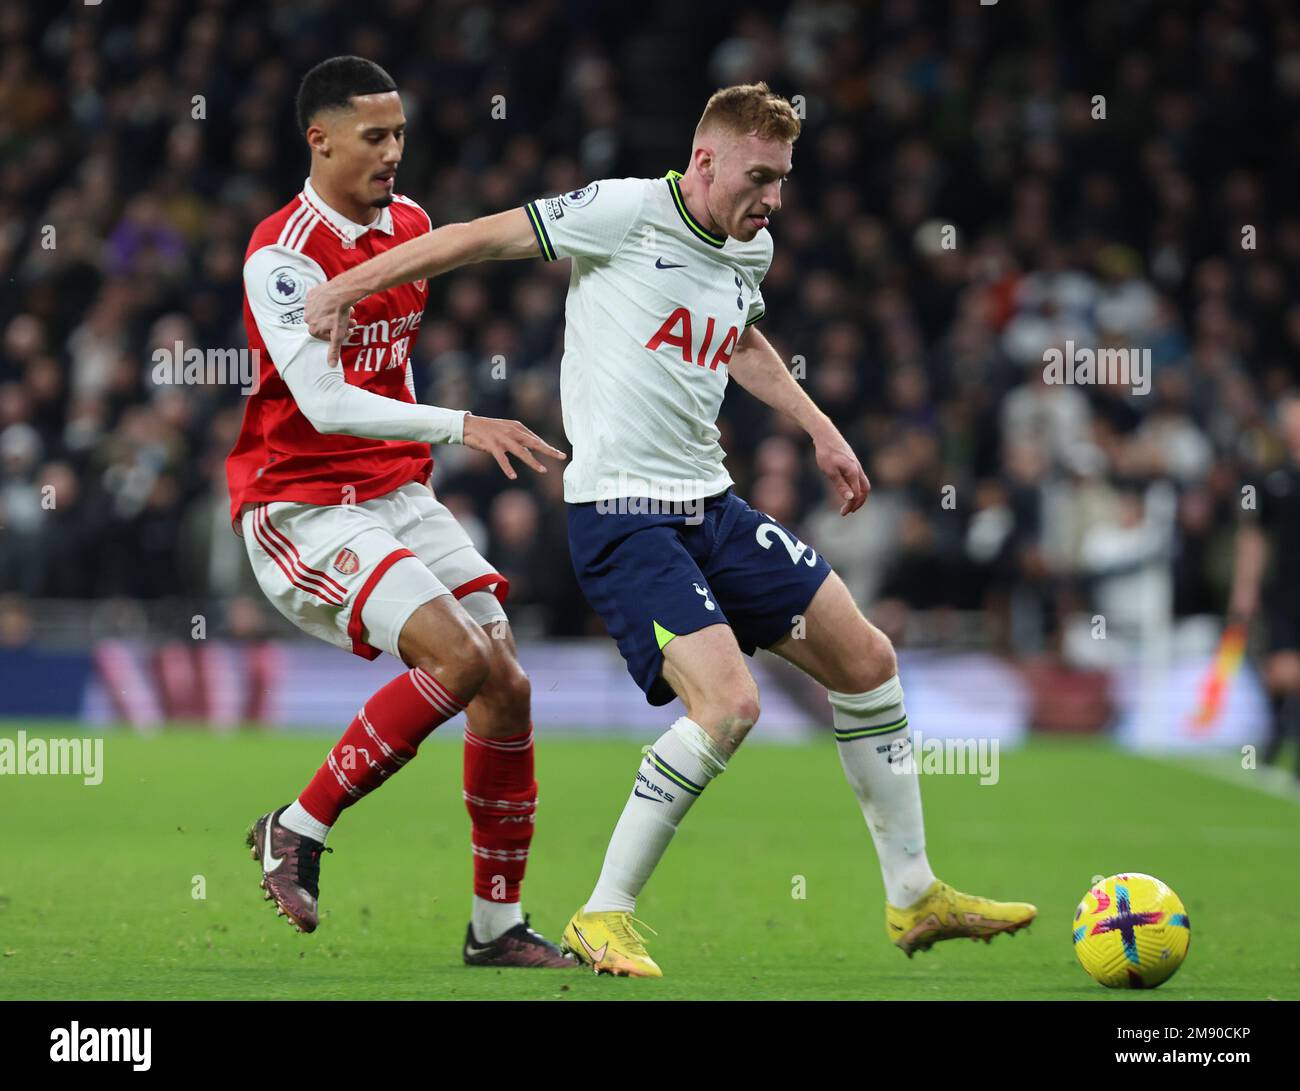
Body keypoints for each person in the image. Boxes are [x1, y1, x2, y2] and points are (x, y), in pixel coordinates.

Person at [304, 81, 1036, 978]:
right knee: (729, 706)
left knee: (869, 660)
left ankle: (915, 893)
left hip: (712, 507)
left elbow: (742, 339)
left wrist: (823, 430)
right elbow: (470, 238)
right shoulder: (621, 212)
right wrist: (347, 283)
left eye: (783, 180)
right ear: (704, 161)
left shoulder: (748, 247)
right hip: (622, 517)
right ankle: (602, 915)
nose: (772, 199)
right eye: (759, 176)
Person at [226, 56, 572, 967]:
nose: (393, 152)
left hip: (392, 489)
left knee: (507, 684)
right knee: (458, 658)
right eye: (375, 136)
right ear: (321, 138)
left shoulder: (409, 225)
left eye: (401, 134)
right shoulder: (284, 255)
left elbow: (394, 361)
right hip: (299, 502)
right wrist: (464, 424)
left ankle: (496, 927)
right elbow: (328, 402)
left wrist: (419, 462)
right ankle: (294, 827)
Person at [1230, 392, 1300, 781]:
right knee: (1280, 670)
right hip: (1286, 586)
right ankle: (1276, 734)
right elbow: (1253, 538)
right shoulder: (1271, 480)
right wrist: (1246, 587)